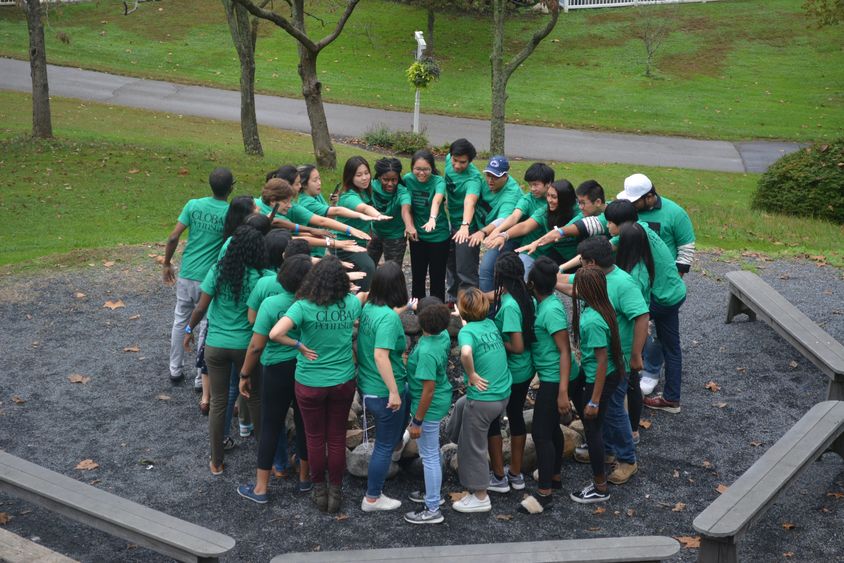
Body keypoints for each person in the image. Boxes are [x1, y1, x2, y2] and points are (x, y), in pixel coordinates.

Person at [269, 256, 364, 513]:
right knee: (335, 438)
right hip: (342, 381)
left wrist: (299, 345)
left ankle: (318, 489)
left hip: (310, 381)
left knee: (313, 437)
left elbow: (275, 333)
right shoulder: (351, 304)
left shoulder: (303, 307)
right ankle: (335, 491)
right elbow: (362, 300)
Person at [560, 237, 648, 487]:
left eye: (583, 262)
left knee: (613, 411)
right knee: (607, 412)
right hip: (604, 356)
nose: (580, 267)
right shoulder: (595, 279)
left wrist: (636, 355)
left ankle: (627, 459)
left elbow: (641, 317)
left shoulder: (623, 284)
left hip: (614, 360)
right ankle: (607, 449)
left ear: (593, 263)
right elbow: (569, 284)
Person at [183, 224, 268, 476]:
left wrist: (189, 331)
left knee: (218, 403)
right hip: (246, 348)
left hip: (216, 346)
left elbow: (200, 307)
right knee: (255, 400)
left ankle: (216, 461)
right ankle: (265, 460)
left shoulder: (217, 271)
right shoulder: (259, 279)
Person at [236, 255, 313, 504]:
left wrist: (245, 374)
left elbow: (256, 346)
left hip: (276, 369)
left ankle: (261, 488)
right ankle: (305, 478)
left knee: (270, 425)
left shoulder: (270, 304)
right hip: (304, 368)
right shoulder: (314, 303)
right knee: (304, 423)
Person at [614, 174, 695, 398]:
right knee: (666, 340)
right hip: (654, 287)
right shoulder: (632, 215)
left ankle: (640, 373)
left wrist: (674, 277)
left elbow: (686, 247)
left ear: (650, 197)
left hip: (662, 288)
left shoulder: (674, 213)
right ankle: (669, 396)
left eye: (634, 201)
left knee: (635, 324)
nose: (631, 205)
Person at [604, 200, 686, 413]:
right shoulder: (642, 228)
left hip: (662, 297)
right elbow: (604, 249)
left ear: (621, 225)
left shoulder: (635, 271)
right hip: (676, 291)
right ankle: (671, 399)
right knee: (671, 346)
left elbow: (637, 308)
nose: (606, 227)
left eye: (609, 223)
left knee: (627, 324)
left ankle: (628, 375)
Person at [163, 167, 232, 385]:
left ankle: (175, 369)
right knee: (205, 323)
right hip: (209, 278)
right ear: (231, 188)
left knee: (180, 319)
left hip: (187, 273)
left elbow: (174, 236)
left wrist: (166, 263)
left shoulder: (193, 205)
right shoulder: (229, 213)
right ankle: (200, 378)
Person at [356, 262, 414, 512]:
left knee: (409, 396)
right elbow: (381, 355)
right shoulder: (389, 319)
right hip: (383, 390)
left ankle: (398, 444)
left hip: (367, 384)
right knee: (382, 445)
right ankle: (372, 497)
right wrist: (392, 391)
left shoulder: (369, 307)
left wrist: (406, 308)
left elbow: (387, 319)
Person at [449, 288, 512, 514]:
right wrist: (464, 317)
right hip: (503, 394)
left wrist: (472, 374)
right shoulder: (490, 325)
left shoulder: (467, 334)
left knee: (473, 447)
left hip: (484, 399)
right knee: (461, 405)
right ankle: (455, 437)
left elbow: (466, 352)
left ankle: (480, 495)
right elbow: (473, 331)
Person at [518, 257, 571, 514]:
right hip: (550, 377)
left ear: (532, 283)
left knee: (540, 433)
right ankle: (555, 477)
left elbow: (565, 351)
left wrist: (562, 392)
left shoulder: (551, 311)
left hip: (553, 379)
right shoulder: (545, 304)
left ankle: (544, 495)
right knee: (551, 429)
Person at [568, 266, 625, 504]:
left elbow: (602, 362)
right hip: (600, 374)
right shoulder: (603, 305)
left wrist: (594, 400)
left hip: (599, 378)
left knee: (593, 430)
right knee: (594, 426)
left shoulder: (591, 321)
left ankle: (600, 487)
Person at [487, 252, 536, 495]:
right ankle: (516, 474)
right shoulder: (526, 295)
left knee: (494, 420)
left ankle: (498, 476)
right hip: (526, 368)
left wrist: (496, 340)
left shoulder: (508, 307)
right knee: (516, 415)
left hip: (512, 371)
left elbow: (516, 346)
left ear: (500, 277)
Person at [404, 297, 452, 525]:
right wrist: (415, 306)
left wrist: (417, 421)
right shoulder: (441, 334)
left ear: (422, 321)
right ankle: (433, 494)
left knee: (429, 456)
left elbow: (428, 391)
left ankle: (433, 506)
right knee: (432, 451)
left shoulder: (426, 352)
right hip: (442, 398)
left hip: (429, 408)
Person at [615, 222, 656, 444]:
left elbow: (638, 312)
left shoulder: (636, 274)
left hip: (632, 336)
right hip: (630, 334)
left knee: (631, 382)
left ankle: (632, 429)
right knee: (630, 380)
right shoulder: (637, 265)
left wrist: (636, 352)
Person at [484, 163, 553, 277]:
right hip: (530, 249)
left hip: (554, 248)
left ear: (549, 183)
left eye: (536, 185)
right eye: (530, 185)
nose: (532, 189)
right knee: (521, 276)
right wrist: (498, 231)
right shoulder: (527, 199)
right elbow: (514, 217)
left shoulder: (558, 199)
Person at [296, 165, 380, 258]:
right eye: (315, 180)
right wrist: (357, 218)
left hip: (320, 248)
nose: (319, 183)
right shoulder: (306, 202)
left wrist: (335, 204)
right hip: (310, 252)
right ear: (303, 184)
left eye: (319, 178)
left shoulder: (316, 195)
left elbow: (329, 215)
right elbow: (331, 215)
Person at [497, 179, 577, 275]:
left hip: (577, 259)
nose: (549, 200)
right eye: (548, 195)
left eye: (554, 197)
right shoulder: (546, 211)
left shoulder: (578, 212)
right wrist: (504, 235)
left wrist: (536, 243)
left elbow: (560, 232)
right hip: (557, 254)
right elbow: (525, 226)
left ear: (565, 199)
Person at [335, 156, 392, 291]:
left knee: (356, 275)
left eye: (366, 173)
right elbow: (364, 208)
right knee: (368, 267)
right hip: (344, 244)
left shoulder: (365, 191)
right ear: (350, 177)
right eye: (359, 175)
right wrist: (378, 215)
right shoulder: (349, 197)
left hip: (358, 243)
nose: (365, 178)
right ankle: (361, 300)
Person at [470, 156, 524, 293]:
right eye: (488, 175)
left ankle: (490, 310)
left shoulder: (511, 193)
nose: (490, 180)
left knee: (487, 269)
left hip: (512, 235)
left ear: (506, 176)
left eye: (495, 176)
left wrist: (483, 232)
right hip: (492, 232)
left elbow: (503, 220)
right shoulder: (483, 182)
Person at [516, 179, 607, 255]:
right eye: (579, 202)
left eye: (583, 203)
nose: (580, 207)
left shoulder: (609, 216)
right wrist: (504, 235)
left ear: (598, 202)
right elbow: (561, 231)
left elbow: (563, 231)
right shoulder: (582, 214)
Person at [444, 139, 485, 303]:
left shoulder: (474, 179)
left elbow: (470, 202)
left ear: (470, 161)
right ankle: (453, 300)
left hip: (467, 228)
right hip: (451, 223)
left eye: (463, 162)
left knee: (466, 271)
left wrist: (465, 226)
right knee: (451, 265)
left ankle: (470, 307)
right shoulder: (449, 159)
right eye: (455, 160)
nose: (457, 165)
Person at [406, 150, 450, 302]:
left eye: (426, 169)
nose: (421, 173)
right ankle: (418, 310)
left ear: (432, 168)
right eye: (417, 169)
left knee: (437, 276)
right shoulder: (407, 179)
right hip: (417, 236)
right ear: (412, 168)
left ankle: (437, 313)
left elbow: (437, 200)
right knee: (417, 274)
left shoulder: (439, 181)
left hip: (439, 236)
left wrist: (432, 218)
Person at [368, 158, 415, 267]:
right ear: (379, 177)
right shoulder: (372, 186)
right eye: (385, 180)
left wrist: (409, 226)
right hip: (375, 233)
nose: (390, 184)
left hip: (395, 237)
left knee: (392, 272)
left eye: (394, 180)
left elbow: (405, 210)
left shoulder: (402, 192)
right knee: (367, 268)